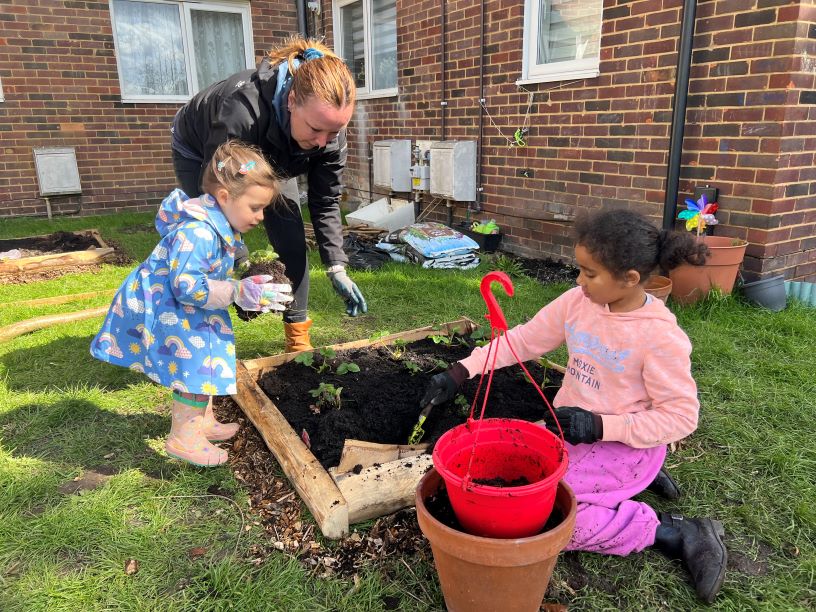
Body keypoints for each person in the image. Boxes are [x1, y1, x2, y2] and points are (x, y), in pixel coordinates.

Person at [421, 209, 727, 603]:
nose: (579, 282)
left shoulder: (659, 337)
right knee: (525, 483)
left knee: (555, 520)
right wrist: (462, 371)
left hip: (620, 441)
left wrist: (601, 427)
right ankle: (630, 483)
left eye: (590, 274)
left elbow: (682, 417)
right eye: (579, 270)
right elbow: (525, 340)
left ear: (630, 279)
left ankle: (673, 531)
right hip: (570, 430)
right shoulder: (577, 303)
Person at [90, 141, 293, 467]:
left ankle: (203, 421)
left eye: (263, 208)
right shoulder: (198, 232)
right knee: (194, 365)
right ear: (225, 197)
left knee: (207, 360)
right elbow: (186, 286)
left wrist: (240, 283)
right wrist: (236, 292)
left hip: (187, 307)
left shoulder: (217, 225)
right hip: (172, 309)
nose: (260, 216)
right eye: (255, 207)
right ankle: (183, 438)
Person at [170, 36, 367, 353]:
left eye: (334, 131)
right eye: (316, 128)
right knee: (213, 234)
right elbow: (218, 197)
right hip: (202, 150)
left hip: (277, 153)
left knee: (290, 237)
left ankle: (298, 337)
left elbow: (325, 201)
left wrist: (336, 265)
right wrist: (242, 263)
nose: (323, 141)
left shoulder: (327, 137)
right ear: (291, 101)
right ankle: (198, 341)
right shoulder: (241, 112)